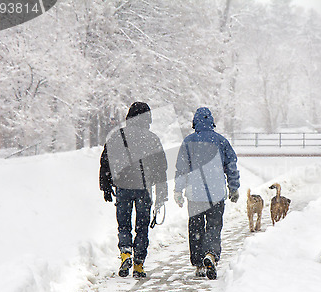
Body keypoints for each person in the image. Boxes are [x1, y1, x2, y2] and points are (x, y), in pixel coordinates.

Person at [99, 102, 168, 278]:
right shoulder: (152, 138)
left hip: (123, 186)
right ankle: (138, 265)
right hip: (144, 188)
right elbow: (161, 168)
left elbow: (105, 161)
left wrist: (105, 186)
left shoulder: (117, 136)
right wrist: (162, 193)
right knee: (142, 226)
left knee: (124, 224)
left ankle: (125, 252)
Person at [174, 107, 240, 280]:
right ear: (212, 123)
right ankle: (210, 254)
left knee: (196, 228)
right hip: (216, 194)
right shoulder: (221, 141)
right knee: (214, 226)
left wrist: (178, 190)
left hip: (195, 194)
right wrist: (233, 187)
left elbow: (182, 169)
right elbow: (231, 165)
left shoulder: (189, 142)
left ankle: (198, 265)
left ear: (195, 122)